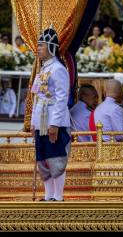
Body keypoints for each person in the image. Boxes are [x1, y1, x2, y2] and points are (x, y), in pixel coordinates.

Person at [30, 26, 71, 202]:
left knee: (55, 157)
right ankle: (48, 195)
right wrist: (33, 122)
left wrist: (54, 124)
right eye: (38, 45)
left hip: (55, 120)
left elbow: (62, 99)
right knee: (43, 159)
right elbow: (37, 98)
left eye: (41, 45)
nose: (38, 48)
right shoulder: (43, 70)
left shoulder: (58, 69)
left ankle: (58, 196)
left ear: (51, 47)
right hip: (41, 120)